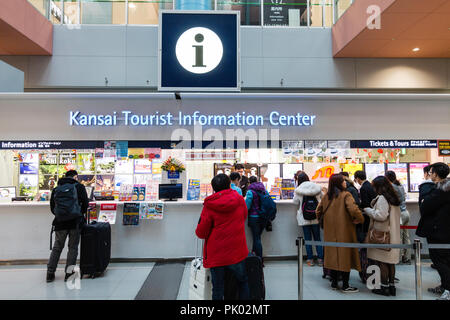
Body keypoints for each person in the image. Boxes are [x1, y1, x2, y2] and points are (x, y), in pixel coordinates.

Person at [195, 174, 250, 300]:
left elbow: (201, 233)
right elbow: (243, 216)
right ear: (229, 184)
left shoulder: (209, 205)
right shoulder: (239, 199)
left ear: (214, 188)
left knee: (218, 288)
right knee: (242, 281)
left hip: (217, 254)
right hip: (237, 250)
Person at [316, 174, 364, 293]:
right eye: (343, 181)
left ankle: (334, 283)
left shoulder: (327, 196)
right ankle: (346, 285)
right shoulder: (346, 195)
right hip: (345, 231)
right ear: (338, 183)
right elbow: (353, 209)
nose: (344, 183)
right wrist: (360, 219)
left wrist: (324, 223)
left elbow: (318, 211)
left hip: (330, 232)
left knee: (333, 256)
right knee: (345, 257)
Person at [47, 170, 89, 283]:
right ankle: (69, 273)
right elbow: (86, 205)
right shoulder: (79, 187)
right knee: (73, 247)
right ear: (75, 177)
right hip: (75, 222)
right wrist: (78, 213)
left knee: (57, 247)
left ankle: (50, 273)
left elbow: (52, 207)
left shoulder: (56, 189)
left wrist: (61, 215)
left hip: (60, 222)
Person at [417, 162, 450, 300]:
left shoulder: (440, 191)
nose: (429, 175)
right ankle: (444, 286)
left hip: (439, 232)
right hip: (444, 230)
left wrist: (425, 185)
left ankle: (448, 289)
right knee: (445, 260)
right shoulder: (443, 188)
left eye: (430, 172)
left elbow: (424, 206)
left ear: (435, 174)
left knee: (440, 261)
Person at [364, 176, 401, 296]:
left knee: (382, 262)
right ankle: (391, 287)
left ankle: (383, 288)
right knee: (390, 261)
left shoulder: (382, 198)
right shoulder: (393, 198)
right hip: (393, 235)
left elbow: (381, 216)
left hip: (382, 236)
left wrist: (368, 210)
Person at [293, 171, 324, 267]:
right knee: (317, 238)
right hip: (316, 217)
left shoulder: (298, 190)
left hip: (304, 218)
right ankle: (320, 259)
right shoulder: (316, 187)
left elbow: (295, 202)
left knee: (308, 239)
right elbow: (323, 199)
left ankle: (310, 259)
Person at [354, 170, 377, 283]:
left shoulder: (363, 188)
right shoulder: (370, 186)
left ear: (358, 178)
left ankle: (365, 271)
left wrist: (360, 208)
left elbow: (366, 203)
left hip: (367, 219)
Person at [385, 170, 411, 264]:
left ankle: (398, 258)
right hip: (406, 212)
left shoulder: (392, 187)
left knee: (398, 237)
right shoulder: (400, 186)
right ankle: (407, 257)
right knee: (406, 236)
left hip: (398, 214)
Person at [245, 176, 269, 262]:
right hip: (263, 217)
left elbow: (247, 206)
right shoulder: (264, 190)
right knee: (257, 237)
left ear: (249, 182)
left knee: (256, 238)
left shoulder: (250, 192)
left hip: (254, 217)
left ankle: (258, 260)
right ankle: (255, 257)